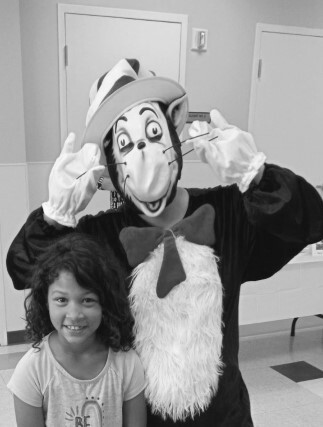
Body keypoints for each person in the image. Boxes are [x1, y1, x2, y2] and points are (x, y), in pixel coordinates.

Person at [7, 58, 323, 426]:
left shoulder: (229, 212)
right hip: (140, 416)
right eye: (124, 144)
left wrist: (256, 175)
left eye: (153, 132)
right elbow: (26, 270)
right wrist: (55, 215)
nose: (141, 151)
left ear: (174, 131)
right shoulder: (101, 235)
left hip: (225, 416)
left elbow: (309, 223)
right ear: (109, 162)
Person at [7, 233, 146, 427]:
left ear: (105, 302)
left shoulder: (127, 363)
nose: (74, 314)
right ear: (45, 301)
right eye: (61, 300)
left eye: (87, 300)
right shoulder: (32, 370)